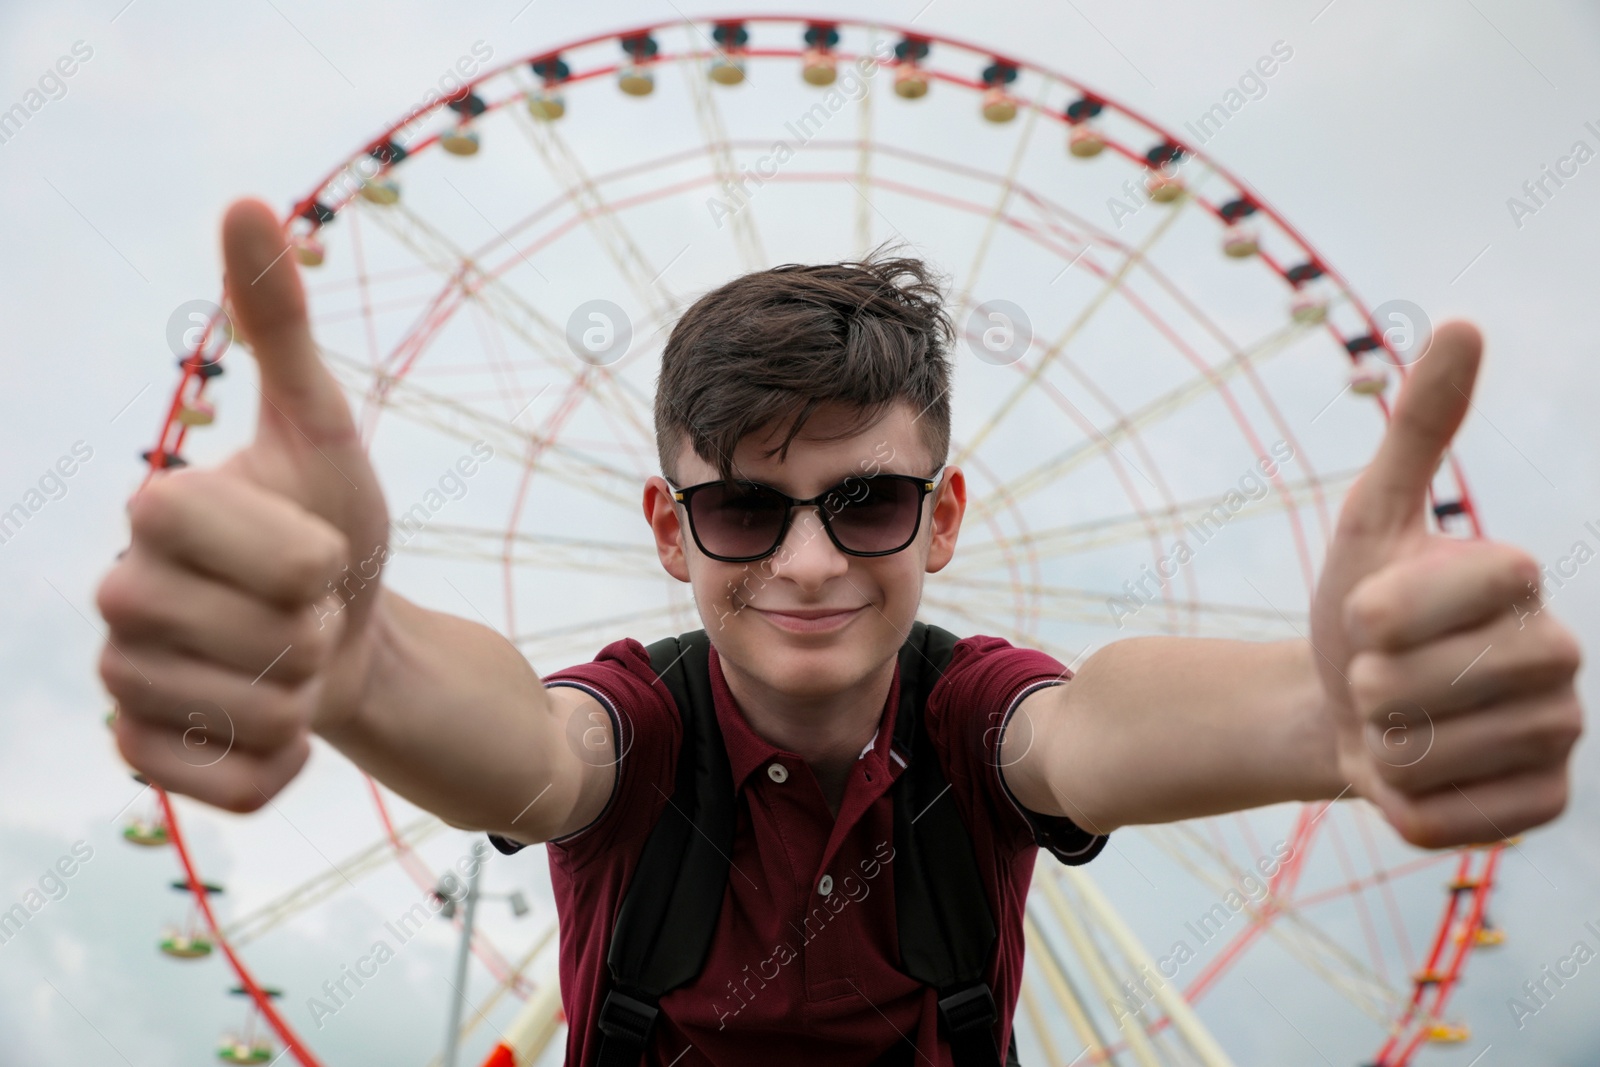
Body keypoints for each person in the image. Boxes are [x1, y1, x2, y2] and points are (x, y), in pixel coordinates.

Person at [95, 199, 1584, 1065]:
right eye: (743, 513)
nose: (807, 562)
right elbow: (526, 754)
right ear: (670, 531)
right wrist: (353, 657)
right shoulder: (639, 725)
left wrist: (1328, 722)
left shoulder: (973, 722)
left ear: (941, 522)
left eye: (868, 504)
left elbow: (1100, 732)